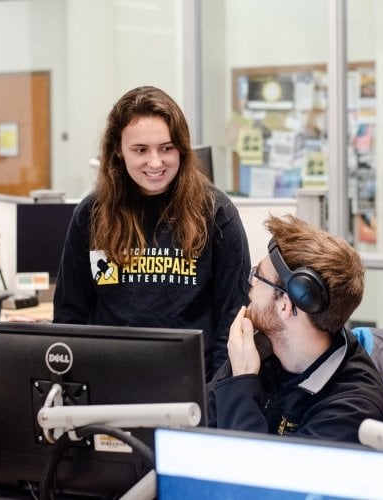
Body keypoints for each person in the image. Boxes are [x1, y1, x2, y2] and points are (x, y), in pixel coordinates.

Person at [53, 85, 251, 379]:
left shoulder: (216, 212)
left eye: (166, 148)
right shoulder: (91, 214)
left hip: (192, 388)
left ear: (181, 149)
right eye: (140, 150)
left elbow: (233, 321)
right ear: (119, 151)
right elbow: (70, 316)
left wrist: (216, 397)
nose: (156, 162)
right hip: (107, 384)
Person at [207, 214, 383, 443]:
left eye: (259, 277)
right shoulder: (261, 348)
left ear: (286, 304)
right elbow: (196, 433)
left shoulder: (354, 411)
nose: (251, 284)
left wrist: (242, 381)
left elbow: (257, 475)